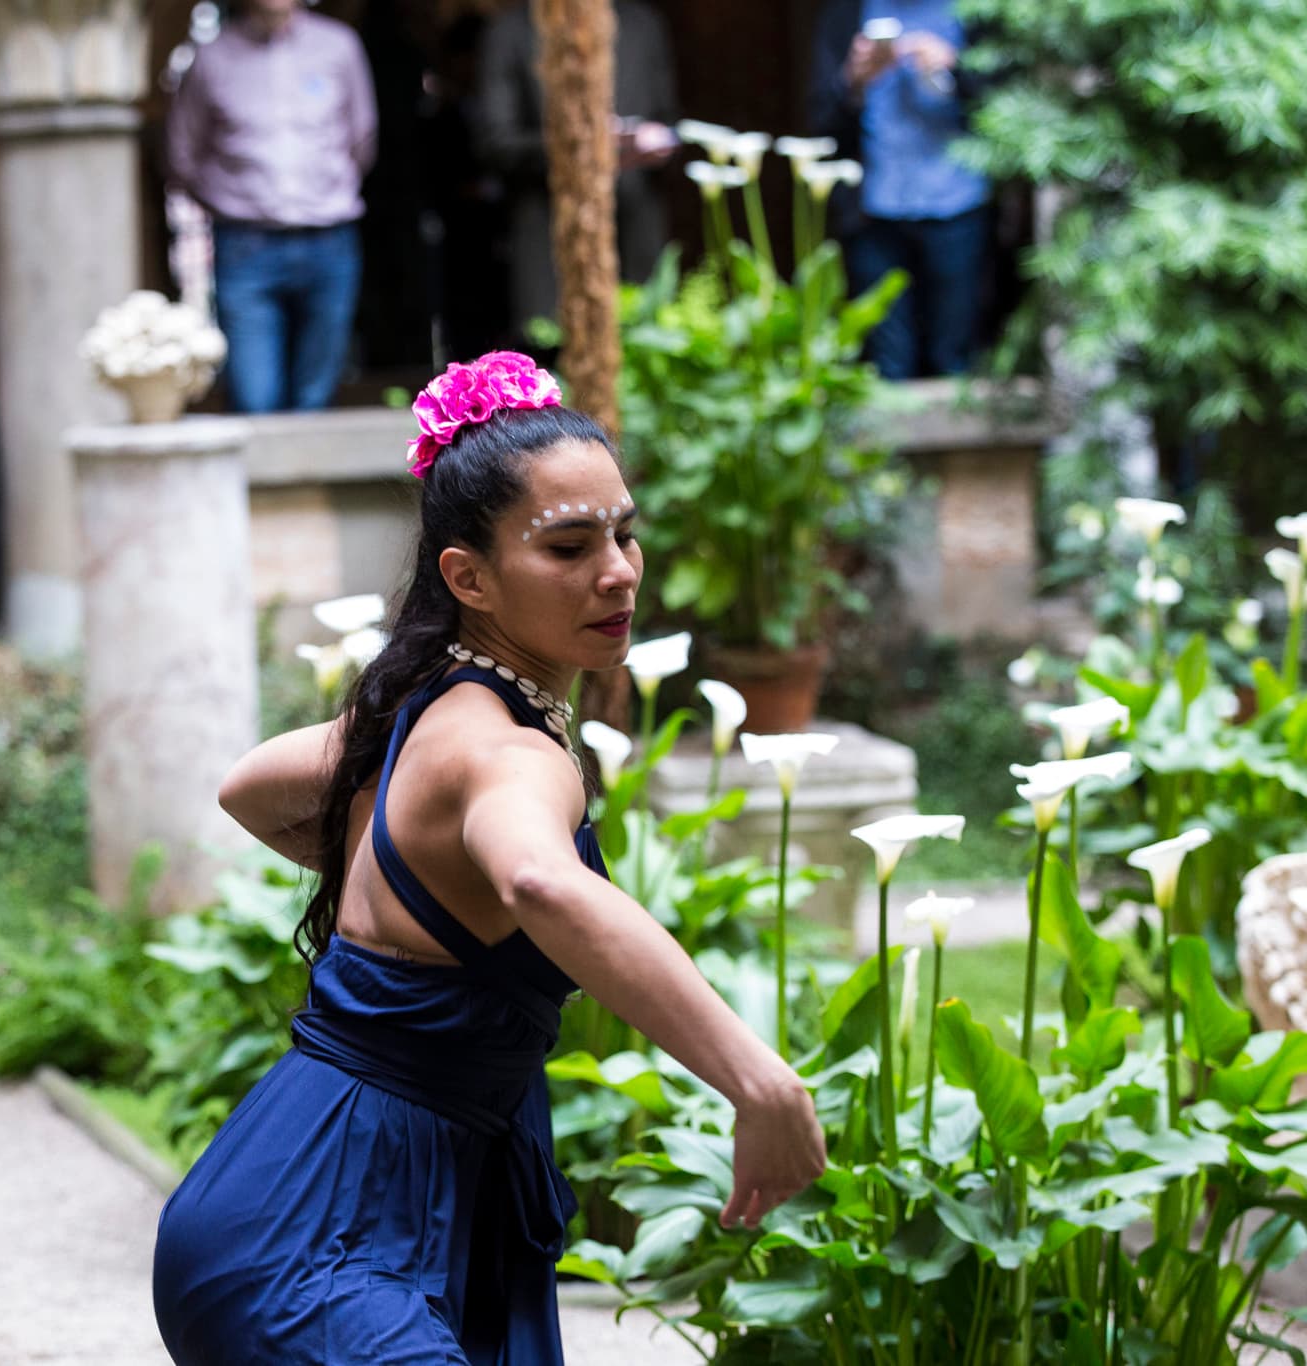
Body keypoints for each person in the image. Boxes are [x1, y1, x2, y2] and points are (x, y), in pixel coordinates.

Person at [153, 352, 826, 1362]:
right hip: (314, 1248)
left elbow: (249, 786)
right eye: (568, 546)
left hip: (295, 1204)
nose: (617, 570)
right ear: (467, 577)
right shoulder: (508, 752)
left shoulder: (422, 713)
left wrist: (408, 887)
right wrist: (759, 1082)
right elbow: (538, 879)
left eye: (624, 532)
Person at [164, 0, 377, 414]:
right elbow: (182, 156)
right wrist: (231, 203)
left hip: (330, 240)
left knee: (316, 398)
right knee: (254, 398)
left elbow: (361, 139)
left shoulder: (339, 47)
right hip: (245, 245)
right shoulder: (211, 58)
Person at [476, 0, 679, 333]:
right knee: (549, 343)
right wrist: (581, 145)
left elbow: (667, 118)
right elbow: (495, 143)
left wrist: (652, 142)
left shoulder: (642, 24)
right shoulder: (511, 31)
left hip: (633, 230)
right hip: (548, 236)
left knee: (646, 337)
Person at [810, 0, 989, 379]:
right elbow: (821, 123)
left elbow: (1010, 108)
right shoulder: (847, 13)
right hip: (874, 208)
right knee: (887, 360)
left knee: (954, 355)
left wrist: (954, 70)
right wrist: (854, 81)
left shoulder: (975, 11)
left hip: (957, 200)